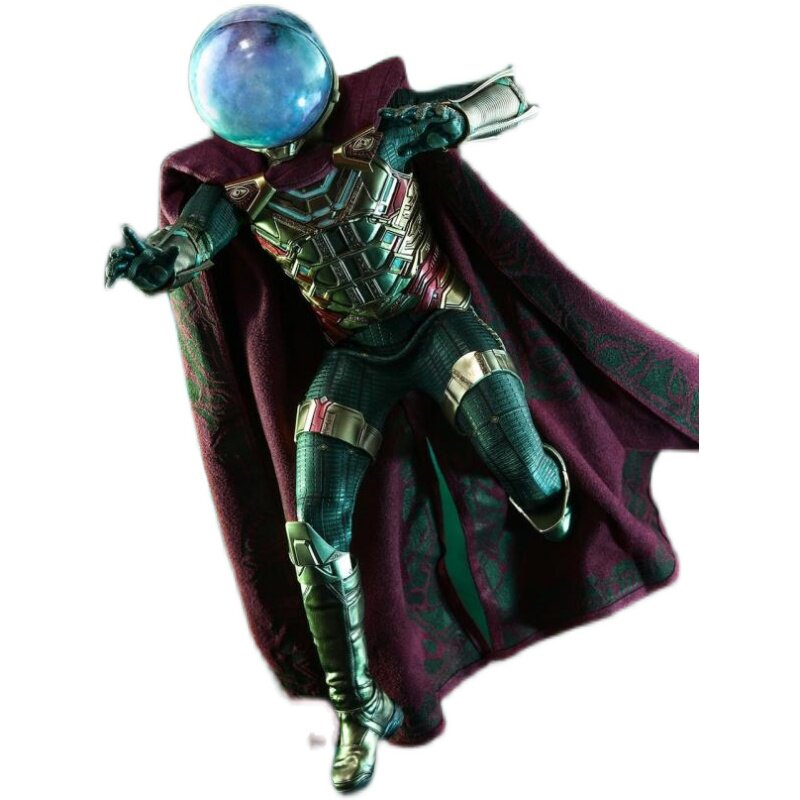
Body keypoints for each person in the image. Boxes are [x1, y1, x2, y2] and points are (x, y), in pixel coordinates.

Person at [106, 5, 697, 793]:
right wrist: (158, 263)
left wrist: (452, 118)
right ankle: (359, 706)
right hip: (356, 358)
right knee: (316, 530)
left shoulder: (380, 127)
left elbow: (504, 96)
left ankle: (551, 502)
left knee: (525, 470)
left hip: (436, 321)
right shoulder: (234, 191)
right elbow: (190, 246)